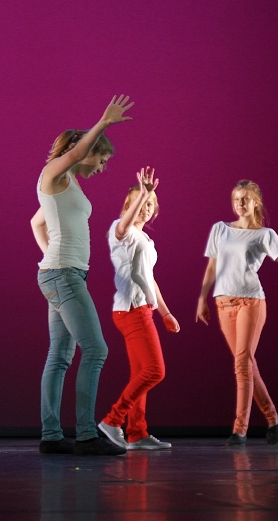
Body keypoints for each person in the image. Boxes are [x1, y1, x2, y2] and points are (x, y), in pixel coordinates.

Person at [31, 95, 134, 456]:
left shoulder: (67, 185)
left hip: (61, 272)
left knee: (60, 355)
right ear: (86, 150)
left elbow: (36, 223)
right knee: (96, 349)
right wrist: (104, 122)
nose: (102, 168)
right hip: (64, 276)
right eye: (101, 159)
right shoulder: (54, 174)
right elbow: (75, 153)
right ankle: (87, 435)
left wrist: (51, 258)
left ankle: (51, 435)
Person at [196, 180, 278, 446]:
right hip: (223, 303)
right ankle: (273, 418)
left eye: (245, 199)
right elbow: (212, 267)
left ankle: (240, 429)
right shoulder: (220, 229)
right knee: (247, 364)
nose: (240, 203)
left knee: (241, 364)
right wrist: (202, 299)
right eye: (236, 198)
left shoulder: (265, 235)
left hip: (251, 302)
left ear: (256, 202)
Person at [98, 167, 180, 451]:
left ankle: (137, 433)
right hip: (131, 310)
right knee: (155, 371)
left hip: (143, 308)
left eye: (150, 204)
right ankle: (113, 420)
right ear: (128, 206)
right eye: (140, 203)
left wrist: (165, 312)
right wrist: (143, 192)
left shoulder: (146, 240)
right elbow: (124, 226)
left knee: (140, 374)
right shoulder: (121, 230)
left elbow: (149, 278)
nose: (145, 207)